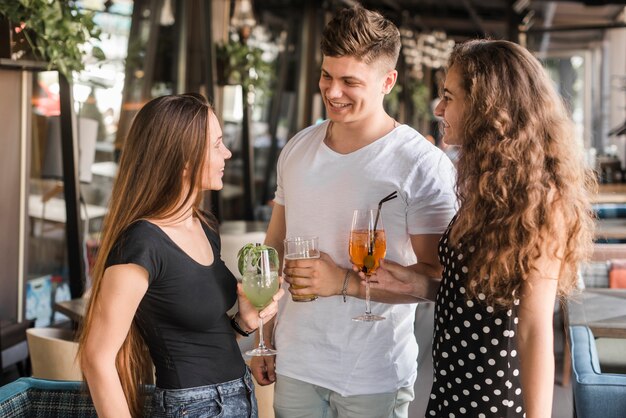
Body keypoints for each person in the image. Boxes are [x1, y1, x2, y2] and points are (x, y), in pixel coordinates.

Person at [367, 39, 595, 417]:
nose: (439, 109)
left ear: (488, 106)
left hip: (493, 400)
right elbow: (476, 296)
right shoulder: (487, 185)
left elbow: (534, 329)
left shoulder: (543, 199)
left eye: (449, 97)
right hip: (451, 388)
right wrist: (413, 283)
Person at [250, 5, 457, 418]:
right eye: (327, 75)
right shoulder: (297, 148)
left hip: (374, 373)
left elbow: (438, 281)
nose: (332, 91)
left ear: (388, 81)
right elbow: (273, 251)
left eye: (349, 81)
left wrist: (342, 281)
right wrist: (265, 338)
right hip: (296, 363)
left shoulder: (421, 164)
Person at [78, 93, 284, 418]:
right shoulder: (142, 244)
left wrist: (244, 323)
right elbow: (96, 357)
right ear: (185, 160)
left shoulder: (203, 226)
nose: (228, 153)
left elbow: (197, 336)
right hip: (192, 408)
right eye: (217, 145)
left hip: (240, 395)